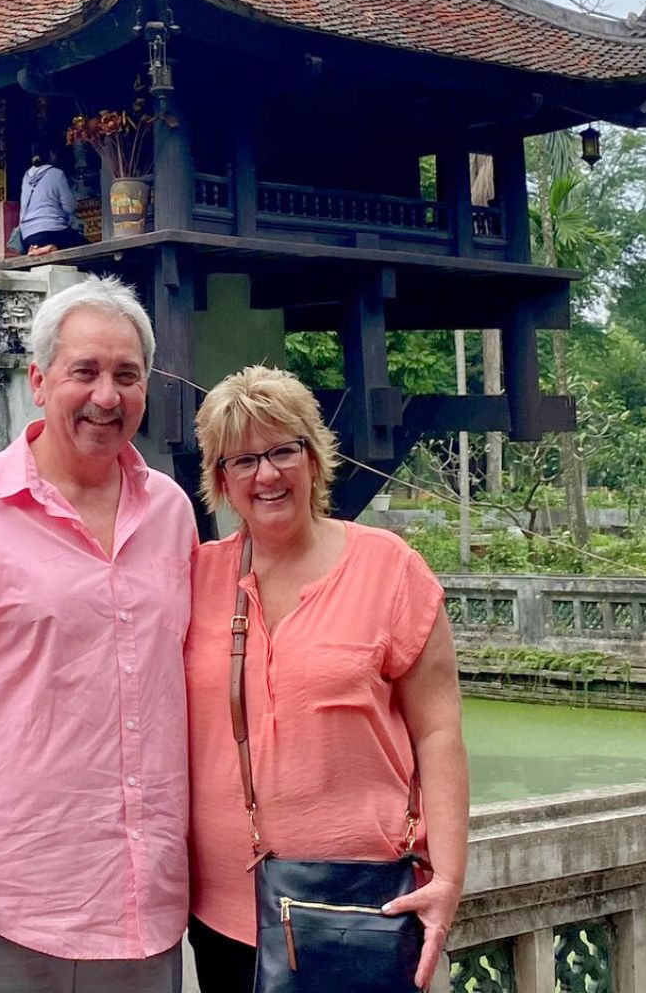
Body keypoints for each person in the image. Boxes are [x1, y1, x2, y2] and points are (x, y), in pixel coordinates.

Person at [0, 274, 196, 993]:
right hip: (3, 909)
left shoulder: (171, 511)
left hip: (143, 907)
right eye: (84, 371)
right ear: (40, 381)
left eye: (126, 375)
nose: (106, 397)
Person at [183, 366, 469, 993]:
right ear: (221, 481)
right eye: (242, 460)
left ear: (313, 457)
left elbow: (439, 732)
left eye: (283, 450)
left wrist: (447, 876)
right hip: (226, 913)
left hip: (363, 904)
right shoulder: (196, 579)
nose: (266, 474)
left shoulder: (390, 568)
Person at [14, 142, 86, 255]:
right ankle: (51, 246)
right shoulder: (56, 173)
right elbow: (69, 207)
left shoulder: (26, 177)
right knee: (84, 245)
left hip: (27, 237)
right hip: (51, 232)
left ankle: (38, 248)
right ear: (50, 154)